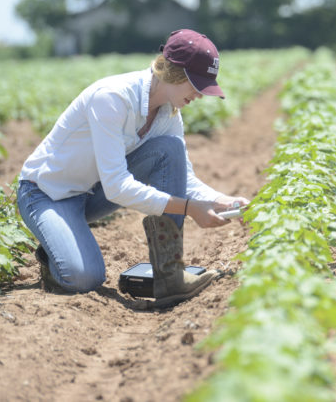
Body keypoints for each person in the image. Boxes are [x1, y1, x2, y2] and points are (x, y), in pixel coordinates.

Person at [16, 29, 248, 307]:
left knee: (169, 150)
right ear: (174, 72)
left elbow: (184, 179)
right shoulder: (112, 98)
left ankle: (169, 275)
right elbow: (116, 186)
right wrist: (188, 208)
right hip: (47, 194)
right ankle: (54, 250)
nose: (200, 95)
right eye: (196, 85)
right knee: (83, 278)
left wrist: (224, 201)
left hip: (91, 194)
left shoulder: (168, 113)